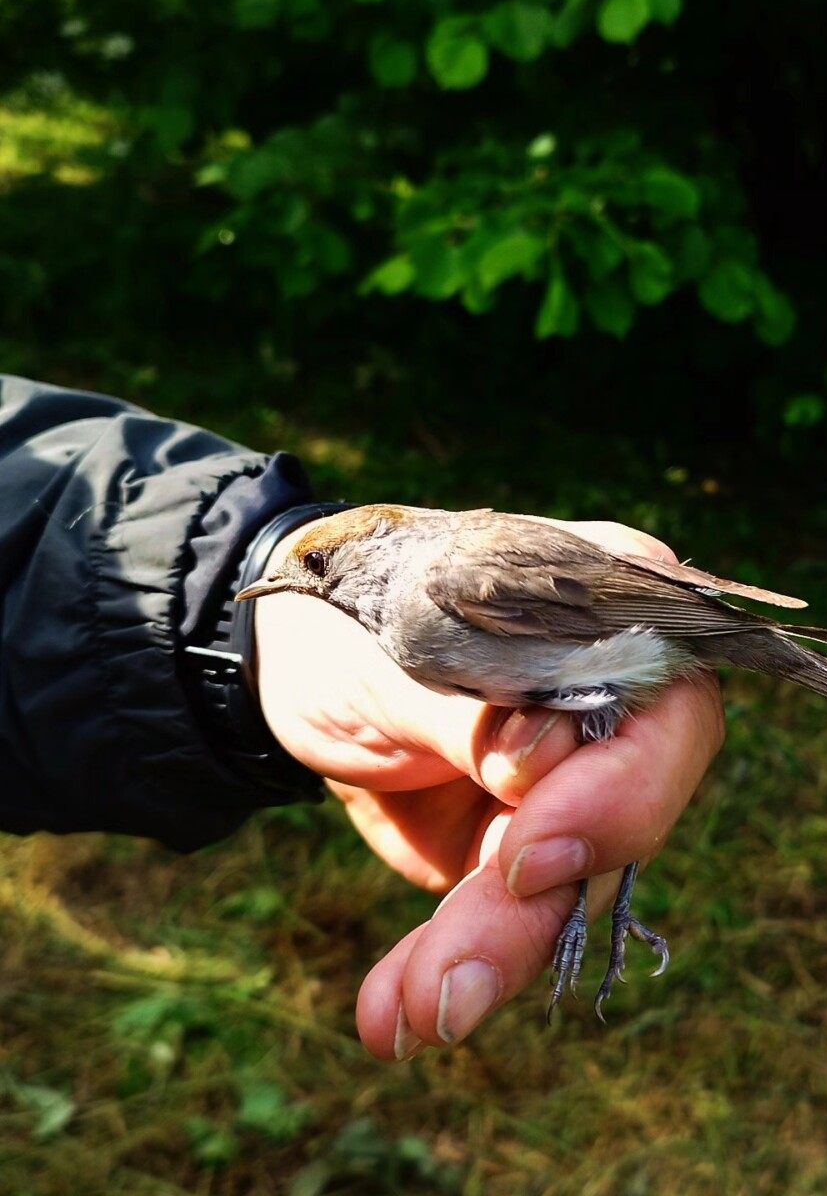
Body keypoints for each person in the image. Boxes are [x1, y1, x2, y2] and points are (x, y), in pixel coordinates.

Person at [0, 374, 724, 1060]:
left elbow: (623, 608)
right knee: (584, 773)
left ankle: (612, 890)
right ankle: (610, 887)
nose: (294, 588)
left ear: (374, 548)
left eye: (314, 571)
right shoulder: (399, 618)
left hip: (645, 635)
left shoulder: (449, 577)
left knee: (590, 767)